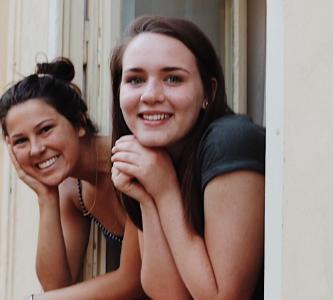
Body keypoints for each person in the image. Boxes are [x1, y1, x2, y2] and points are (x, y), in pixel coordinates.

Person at [109, 16, 265, 299]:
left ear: (209, 91)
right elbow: (169, 294)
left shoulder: (230, 142)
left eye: (173, 78)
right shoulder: (155, 159)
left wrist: (165, 191)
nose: (151, 95)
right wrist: (147, 197)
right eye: (135, 79)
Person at [0, 57, 143, 299]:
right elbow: (57, 286)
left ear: (78, 123)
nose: (35, 149)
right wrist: (46, 197)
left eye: (45, 130)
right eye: (21, 141)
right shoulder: (72, 188)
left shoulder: (130, 162)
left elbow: (133, 280)